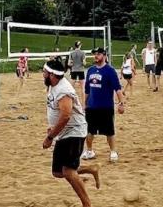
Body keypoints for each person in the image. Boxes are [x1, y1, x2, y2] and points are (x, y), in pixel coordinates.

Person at [43, 59, 100, 207]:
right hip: (63, 132)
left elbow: (66, 115)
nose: (43, 74)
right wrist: (53, 127)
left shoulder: (63, 90)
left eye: (45, 72)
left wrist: (50, 137)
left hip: (74, 131)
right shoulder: (53, 85)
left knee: (68, 171)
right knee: (57, 172)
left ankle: (87, 203)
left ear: (52, 75)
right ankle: (91, 169)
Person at [82, 48, 126, 163]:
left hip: (106, 107)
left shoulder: (110, 71)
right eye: (95, 54)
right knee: (90, 130)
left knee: (109, 131)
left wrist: (121, 103)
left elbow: (117, 88)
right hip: (92, 106)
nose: (96, 56)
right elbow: (87, 89)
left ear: (105, 56)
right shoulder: (90, 70)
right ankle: (89, 150)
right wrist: (85, 103)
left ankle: (113, 151)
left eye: (99, 54)